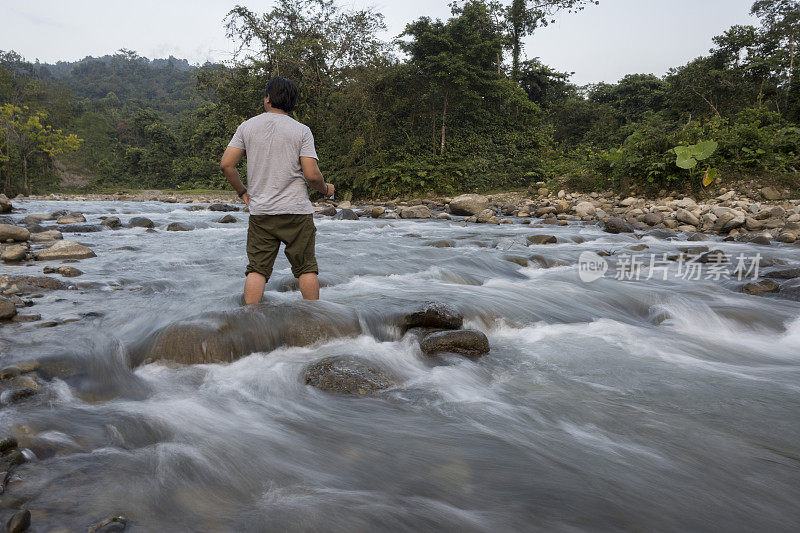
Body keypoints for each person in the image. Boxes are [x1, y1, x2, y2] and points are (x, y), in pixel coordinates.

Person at [220, 77, 334, 304]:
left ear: (268, 98)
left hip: (261, 212)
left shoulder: (247, 126)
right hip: (296, 212)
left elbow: (227, 165)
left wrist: (243, 192)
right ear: (292, 102)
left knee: (257, 270)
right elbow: (311, 175)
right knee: (306, 268)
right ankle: (316, 322)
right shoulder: (302, 131)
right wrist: (326, 189)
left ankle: (250, 322)